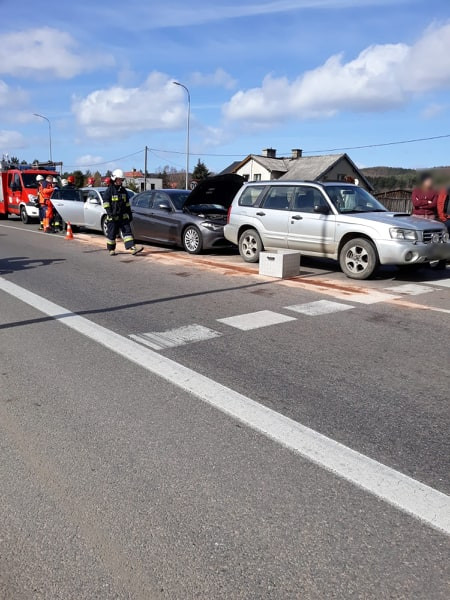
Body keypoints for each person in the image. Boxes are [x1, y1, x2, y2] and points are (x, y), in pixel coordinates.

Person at [103, 169, 143, 256]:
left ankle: (132, 248)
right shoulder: (109, 190)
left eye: (121, 180)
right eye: (118, 179)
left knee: (127, 233)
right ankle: (111, 249)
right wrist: (110, 213)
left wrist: (129, 213)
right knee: (112, 234)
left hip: (123, 216)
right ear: (114, 179)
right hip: (113, 217)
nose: (120, 181)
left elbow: (127, 204)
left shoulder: (123, 190)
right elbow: (106, 203)